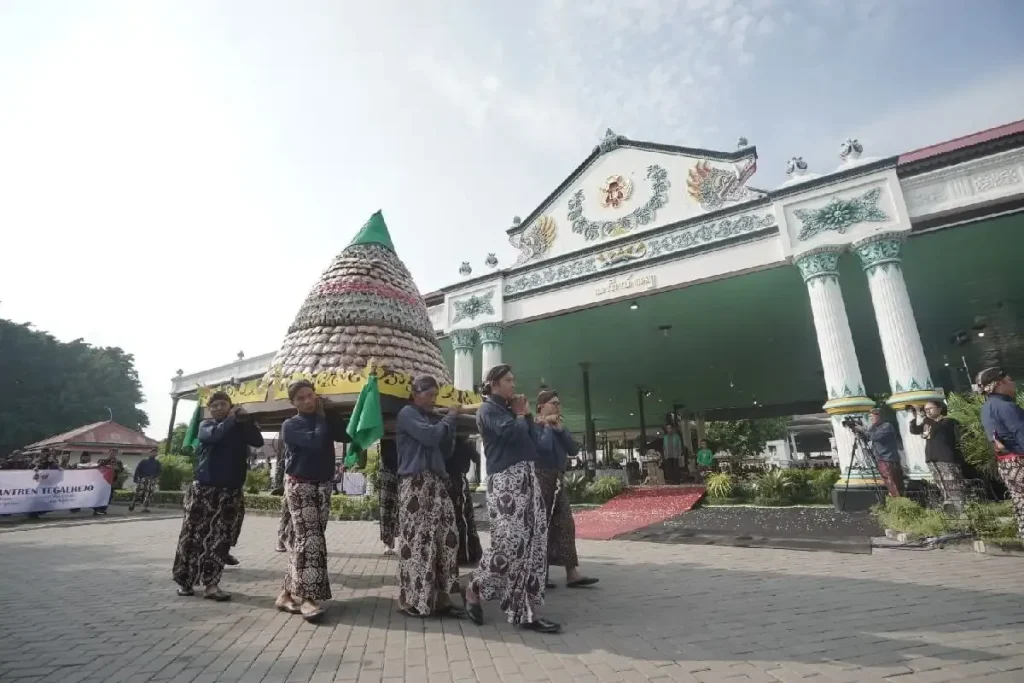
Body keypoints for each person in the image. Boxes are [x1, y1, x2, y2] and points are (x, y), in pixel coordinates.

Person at [463, 364, 560, 634]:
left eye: (513, 380)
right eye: (508, 380)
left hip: (527, 477)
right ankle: (474, 587)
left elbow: (533, 443)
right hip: (505, 481)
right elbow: (509, 434)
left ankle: (527, 612)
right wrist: (519, 415)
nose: (513, 385)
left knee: (534, 544)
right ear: (494, 383)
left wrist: (526, 415)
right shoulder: (487, 410)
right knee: (511, 543)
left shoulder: (510, 411)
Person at [172, 391, 263, 601]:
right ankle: (186, 582)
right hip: (204, 490)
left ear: (230, 406)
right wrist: (231, 419)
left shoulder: (239, 426)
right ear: (209, 410)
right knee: (193, 536)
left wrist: (247, 421)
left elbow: (257, 441)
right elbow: (215, 436)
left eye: (223, 404)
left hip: (230, 491)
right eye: (214, 406)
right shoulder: (206, 426)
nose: (218, 408)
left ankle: (212, 585)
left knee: (220, 539)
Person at [276, 380, 346, 622]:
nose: (307, 401)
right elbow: (315, 441)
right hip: (300, 485)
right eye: (301, 398)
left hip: (323, 485)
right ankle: (308, 598)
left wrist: (332, 414)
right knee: (311, 540)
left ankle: (285, 594)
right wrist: (321, 417)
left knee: (305, 540)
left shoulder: (323, 420)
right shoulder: (291, 425)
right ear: (293, 403)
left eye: (310, 395)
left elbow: (344, 435)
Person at [393, 375, 462, 617]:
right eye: (428, 395)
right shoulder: (407, 414)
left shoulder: (432, 419)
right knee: (417, 542)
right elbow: (430, 437)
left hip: (436, 482)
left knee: (445, 539)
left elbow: (445, 450)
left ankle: (441, 599)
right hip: (416, 484)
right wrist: (449, 418)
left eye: (435, 395)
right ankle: (411, 600)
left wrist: (449, 426)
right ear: (415, 394)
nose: (433, 400)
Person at [535, 390, 598, 590]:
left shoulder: (559, 426)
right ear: (541, 406)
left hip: (558, 478)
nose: (557, 406)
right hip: (540, 477)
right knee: (541, 525)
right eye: (553, 403)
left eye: (558, 403)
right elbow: (543, 448)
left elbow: (573, 449)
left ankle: (571, 573)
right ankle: (540, 574)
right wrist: (547, 426)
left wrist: (560, 430)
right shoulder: (533, 425)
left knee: (565, 524)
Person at [978, 367, 1024, 538]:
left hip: (1006, 464)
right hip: (1020, 460)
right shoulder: (1006, 407)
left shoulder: (986, 408)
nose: (1013, 383)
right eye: (1010, 380)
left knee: (1020, 502)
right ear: (999, 383)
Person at [907, 401, 967, 511]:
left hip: (946, 458)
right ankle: (951, 508)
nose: (927, 411)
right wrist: (915, 415)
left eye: (930, 408)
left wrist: (923, 416)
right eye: (925, 409)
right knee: (942, 485)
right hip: (932, 459)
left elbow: (938, 429)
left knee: (953, 484)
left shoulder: (948, 422)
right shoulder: (927, 423)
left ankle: (962, 507)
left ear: (939, 409)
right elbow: (914, 430)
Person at [447, 435, 483, 567]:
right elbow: (477, 459)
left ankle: (457, 554)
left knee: (456, 518)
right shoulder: (465, 443)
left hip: (448, 480)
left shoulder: (448, 439)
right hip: (458, 481)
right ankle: (465, 554)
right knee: (463, 518)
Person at [855, 409, 904, 497]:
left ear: (880, 416)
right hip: (881, 458)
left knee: (892, 482)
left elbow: (874, 436)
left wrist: (862, 429)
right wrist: (859, 432)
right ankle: (895, 498)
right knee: (888, 482)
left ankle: (898, 499)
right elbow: (868, 437)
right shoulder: (874, 427)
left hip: (888, 459)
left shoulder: (886, 426)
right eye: (870, 416)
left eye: (873, 416)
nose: (871, 418)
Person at [377, 439, 399, 556]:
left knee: (404, 508)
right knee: (386, 508)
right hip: (387, 468)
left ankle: (403, 541)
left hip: (405, 467)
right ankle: (387, 543)